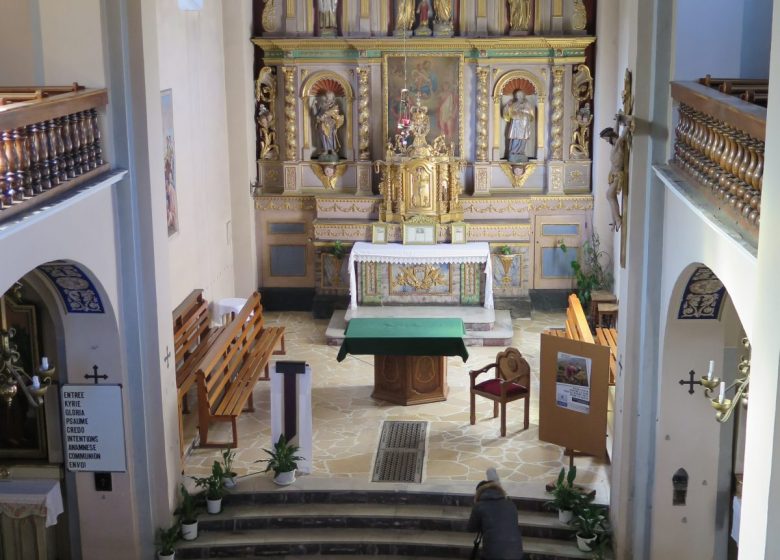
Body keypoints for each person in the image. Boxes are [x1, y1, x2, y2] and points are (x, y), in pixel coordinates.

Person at [468, 468, 524, 560]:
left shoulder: (479, 506)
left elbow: (471, 528)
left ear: (478, 493)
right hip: (516, 554)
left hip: (492, 555)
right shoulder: (510, 504)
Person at [502, 90, 535, 162]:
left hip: (524, 123)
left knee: (523, 139)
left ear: (523, 96)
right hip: (516, 124)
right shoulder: (513, 104)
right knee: (515, 138)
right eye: (518, 95)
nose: (519, 96)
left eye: (520, 95)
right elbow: (508, 113)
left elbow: (531, 114)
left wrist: (523, 111)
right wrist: (508, 106)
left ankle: (521, 152)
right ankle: (513, 152)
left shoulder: (527, 104)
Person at [313, 91, 344, 157]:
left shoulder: (335, 107)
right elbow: (318, 114)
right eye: (327, 97)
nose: (328, 99)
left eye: (329, 98)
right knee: (323, 137)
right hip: (322, 125)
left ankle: (332, 150)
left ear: (333, 99)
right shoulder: (323, 105)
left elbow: (335, 114)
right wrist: (317, 114)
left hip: (330, 125)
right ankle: (325, 149)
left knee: (330, 137)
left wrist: (325, 115)